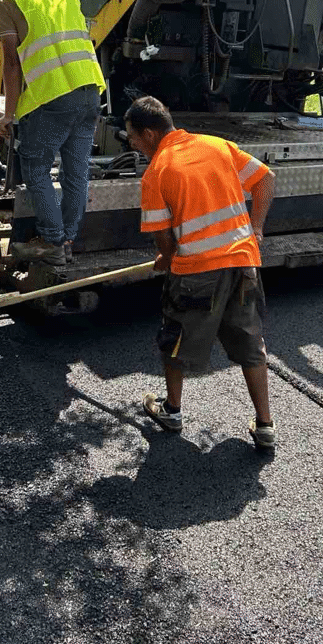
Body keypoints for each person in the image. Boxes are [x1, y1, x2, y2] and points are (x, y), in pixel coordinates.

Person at [125, 95, 277, 450]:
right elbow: (266, 179)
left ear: (149, 134)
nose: (131, 144)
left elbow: (164, 240)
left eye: (132, 137)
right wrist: (256, 228)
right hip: (243, 263)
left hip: (197, 272)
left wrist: (165, 258)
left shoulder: (157, 171)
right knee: (251, 343)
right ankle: (265, 426)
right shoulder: (217, 145)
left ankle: (172, 412)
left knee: (174, 339)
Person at [0, 0, 106, 267]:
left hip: (54, 97)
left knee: (36, 167)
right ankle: (67, 239)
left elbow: (12, 63)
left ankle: (52, 241)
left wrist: (9, 114)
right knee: (76, 171)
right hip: (91, 90)